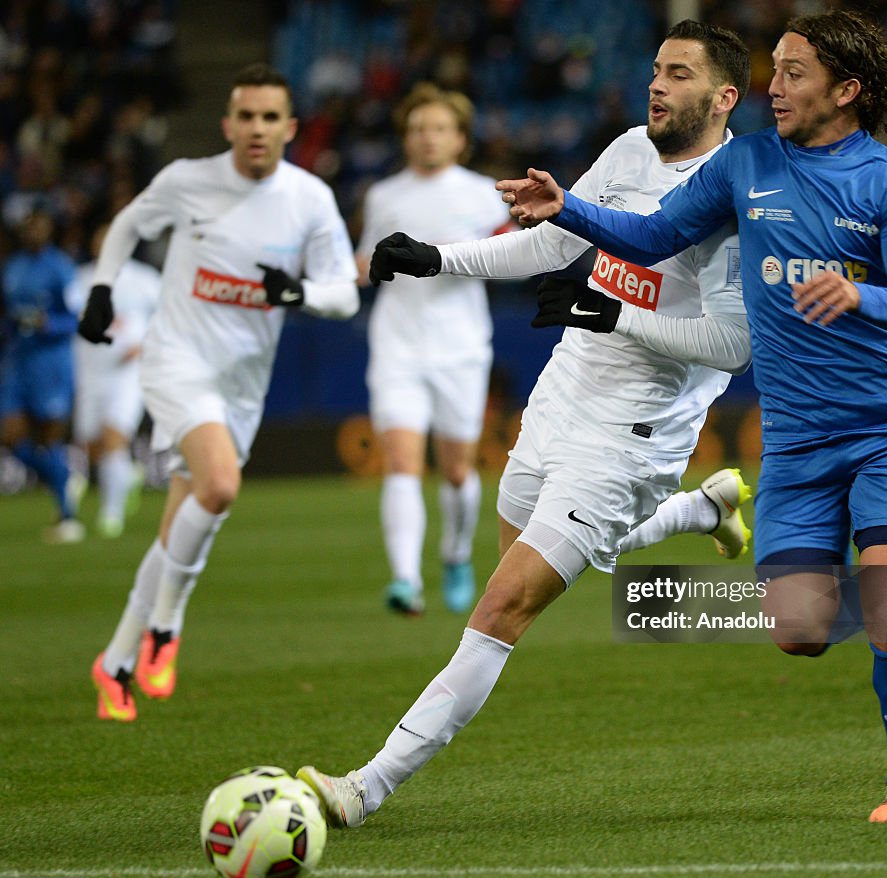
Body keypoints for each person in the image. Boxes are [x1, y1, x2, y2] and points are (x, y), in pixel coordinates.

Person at [496, 9, 887, 823]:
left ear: (846, 91)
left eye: (794, 73)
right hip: (797, 443)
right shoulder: (746, 163)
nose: (773, 88)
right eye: (774, 69)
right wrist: (566, 208)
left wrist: (861, 293)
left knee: (885, 608)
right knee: (798, 630)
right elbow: (650, 236)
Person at [297, 19, 753, 830]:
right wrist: (441, 258)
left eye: (678, 74)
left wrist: (613, 318)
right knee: (530, 548)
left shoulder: (739, 193)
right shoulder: (626, 150)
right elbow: (551, 244)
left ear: (725, 97)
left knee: (503, 606)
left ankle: (365, 788)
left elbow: (733, 345)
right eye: (655, 68)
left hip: (634, 432)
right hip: (562, 390)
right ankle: (699, 510)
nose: (656, 84)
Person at [79, 64, 361, 722]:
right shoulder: (187, 181)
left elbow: (344, 293)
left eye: (270, 118)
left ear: (290, 128)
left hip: (242, 384)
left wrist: (298, 294)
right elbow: (127, 223)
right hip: (177, 361)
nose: (257, 129)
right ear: (227, 124)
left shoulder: (309, 199)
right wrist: (102, 287)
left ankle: (116, 660)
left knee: (185, 520)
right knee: (222, 486)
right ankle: (168, 625)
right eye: (246, 116)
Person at [355, 83, 516, 617]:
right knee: (400, 463)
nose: (428, 138)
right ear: (405, 136)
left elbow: (506, 255)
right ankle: (404, 580)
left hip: (460, 348)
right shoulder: (383, 196)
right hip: (397, 345)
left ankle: (453, 555)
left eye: (440, 128)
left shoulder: (482, 193)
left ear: (460, 139)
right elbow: (364, 264)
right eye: (419, 128)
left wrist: (440, 258)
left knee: (455, 470)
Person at [0, 207, 86, 543]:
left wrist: (47, 323)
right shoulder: (13, 267)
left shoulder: (62, 270)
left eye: (38, 226)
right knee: (11, 436)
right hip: (19, 363)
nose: (32, 232)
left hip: (51, 364)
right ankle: (61, 477)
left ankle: (67, 515)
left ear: (48, 230)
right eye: (27, 227)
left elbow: (76, 319)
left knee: (48, 438)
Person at [72, 222, 160, 539]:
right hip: (90, 372)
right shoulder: (80, 279)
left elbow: (169, 318)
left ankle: (112, 515)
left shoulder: (145, 280)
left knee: (114, 437)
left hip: (126, 373)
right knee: (94, 446)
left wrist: (144, 343)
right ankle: (128, 475)